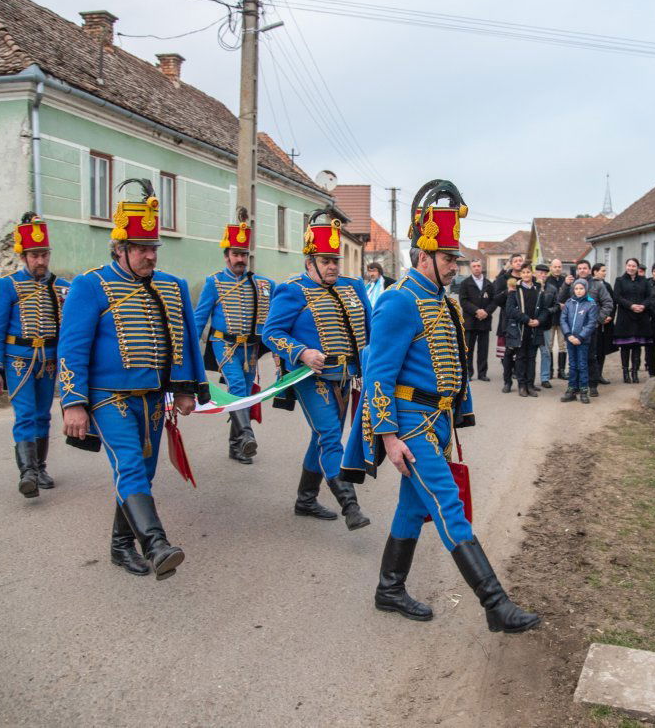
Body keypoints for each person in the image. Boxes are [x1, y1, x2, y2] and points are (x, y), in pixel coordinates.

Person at [342, 179, 540, 634]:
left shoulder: (443, 303)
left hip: (437, 423)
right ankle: (496, 604)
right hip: (410, 424)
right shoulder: (398, 301)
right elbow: (378, 375)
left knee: (413, 509)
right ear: (423, 256)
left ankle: (389, 589)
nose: (456, 266)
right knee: (450, 507)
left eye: (457, 259)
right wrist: (387, 435)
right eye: (450, 259)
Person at [58, 182, 207, 578]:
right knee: (129, 463)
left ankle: (121, 546)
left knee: (143, 470)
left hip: (154, 399)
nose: (150, 255)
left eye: (154, 247)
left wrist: (186, 388)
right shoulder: (90, 286)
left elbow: (185, 339)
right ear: (120, 248)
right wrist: (73, 401)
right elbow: (71, 348)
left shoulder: (172, 287)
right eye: (142, 248)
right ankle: (156, 544)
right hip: (108, 397)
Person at [262, 210, 372, 531]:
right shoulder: (293, 290)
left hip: (345, 377)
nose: (333, 267)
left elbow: (369, 329)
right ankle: (350, 506)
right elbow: (271, 332)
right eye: (325, 261)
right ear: (309, 262)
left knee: (323, 437)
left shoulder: (354, 287)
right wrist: (302, 352)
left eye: (335, 260)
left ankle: (305, 499)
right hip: (312, 378)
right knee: (329, 436)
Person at [0, 212, 71, 498]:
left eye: (44, 254)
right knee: (24, 415)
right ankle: (28, 473)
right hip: (18, 360)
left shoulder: (61, 287)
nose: (41, 261)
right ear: (24, 256)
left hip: (48, 361)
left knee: (43, 416)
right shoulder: (7, 285)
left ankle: (41, 466)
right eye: (34, 255)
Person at [193, 211, 275, 464]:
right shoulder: (214, 282)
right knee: (238, 387)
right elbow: (200, 317)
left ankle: (235, 445)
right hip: (224, 344)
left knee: (246, 393)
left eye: (244, 255)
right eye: (236, 254)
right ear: (226, 255)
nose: (240, 259)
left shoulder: (262, 284)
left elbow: (275, 313)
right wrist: (190, 351)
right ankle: (247, 436)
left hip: (250, 348)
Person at [556, 259, 613, 397]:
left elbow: (608, 303)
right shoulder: (573, 284)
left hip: (590, 329)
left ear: (589, 270)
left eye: (585, 268)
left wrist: (597, 320)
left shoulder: (597, 285)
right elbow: (561, 300)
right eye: (579, 268)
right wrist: (565, 284)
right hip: (574, 330)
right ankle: (575, 386)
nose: (582, 270)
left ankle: (592, 385)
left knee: (590, 357)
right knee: (574, 360)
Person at [504, 263, 547, 398]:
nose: (526, 275)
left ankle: (530, 385)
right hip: (520, 330)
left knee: (532, 358)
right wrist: (526, 319)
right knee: (521, 358)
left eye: (528, 272)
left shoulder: (538, 289)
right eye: (523, 272)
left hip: (534, 330)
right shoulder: (515, 290)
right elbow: (510, 310)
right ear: (520, 274)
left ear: (532, 273)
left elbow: (545, 309)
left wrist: (538, 320)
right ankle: (522, 385)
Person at [614, 257, 654, 383]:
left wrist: (643, 306)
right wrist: (631, 305)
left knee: (637, 346)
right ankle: (625, 372)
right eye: (629, 265)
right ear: (626, 266)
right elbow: (617, 297)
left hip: (640, 317)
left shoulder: (644, 281)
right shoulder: (619, 280)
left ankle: (635, 372)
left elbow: (650, 296)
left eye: (634, 266)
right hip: (625, 317)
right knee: (625, 346)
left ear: (637, 268)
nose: (631, 268)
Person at [559, 279, 598, 403]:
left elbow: (591, 323)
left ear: (586, 289)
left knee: (582, 365)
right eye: (576, 288)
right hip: (570, 339)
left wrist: (580, 337)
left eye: (581, 288)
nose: (579, 291)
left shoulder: (591, 304)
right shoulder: (569, 303)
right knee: (572, 365)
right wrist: (568, 335)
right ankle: (571, 389)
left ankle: (583, 391)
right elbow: (563, 319)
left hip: (583, 341)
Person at [459, 258, 495, 382]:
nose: (476, 268)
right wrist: (476, 311)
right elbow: (463, 301)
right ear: (471, 268)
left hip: (485, 321)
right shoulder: (465, 283)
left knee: (483, 349)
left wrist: (486, 311)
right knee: (469, 349)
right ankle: (468, 373)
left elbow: (493, 301)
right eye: (474, 266)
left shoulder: (489, 284)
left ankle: (482, 373)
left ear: (482, 267)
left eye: (478, 266)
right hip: (470, 322)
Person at [591, 262, 617, 385]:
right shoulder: (589, 285)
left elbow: (612, 303)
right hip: (594, 322)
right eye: (602, 270)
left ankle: (599, 374)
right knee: (593, 350)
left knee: (602, 350)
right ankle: (592, 375)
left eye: (605, 271)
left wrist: (609, 317)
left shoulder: (607, 285)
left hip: (606, 323)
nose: (604, 273)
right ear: (595, 272)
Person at [534, 263, 558, 388]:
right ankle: (529, 379)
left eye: (544, 273)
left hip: (546, 325)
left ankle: (545, 378)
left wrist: (548, 311)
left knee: (546, 352)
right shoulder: (530, 287)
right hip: (531, 325)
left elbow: (557, 305)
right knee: (530, 353)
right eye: (540, 273)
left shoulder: (552, 289)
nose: (542, 275)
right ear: (535, 273)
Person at [545, 259, 569, 380]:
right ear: (551, 268)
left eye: (559, 267)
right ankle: (549, 371)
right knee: (548, 345)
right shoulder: (547, 281)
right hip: (550, 317)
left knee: (562, 345)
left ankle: (561, 371)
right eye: (555, 267)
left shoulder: (566, 281)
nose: (557, 269)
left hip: (563, 318)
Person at [500, 276, 520, 392]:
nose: (512, 288)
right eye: (510, 286)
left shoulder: (522, 292)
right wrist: (507, 292)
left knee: (521, 356)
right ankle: (507, 382)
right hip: (509, 327)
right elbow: (497, 300)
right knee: (508, 355)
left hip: (521, 326)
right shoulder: (507, 294)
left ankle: (524, 383)